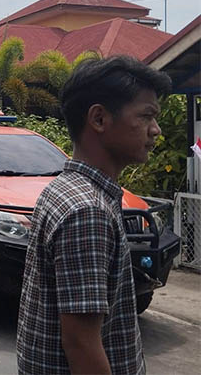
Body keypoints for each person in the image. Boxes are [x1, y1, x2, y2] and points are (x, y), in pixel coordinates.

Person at [17, 56, 171, 375]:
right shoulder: (88, 210)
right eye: (146, 116)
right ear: (99, 119)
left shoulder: (64, 188)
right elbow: (82, 344)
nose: (155, 130)